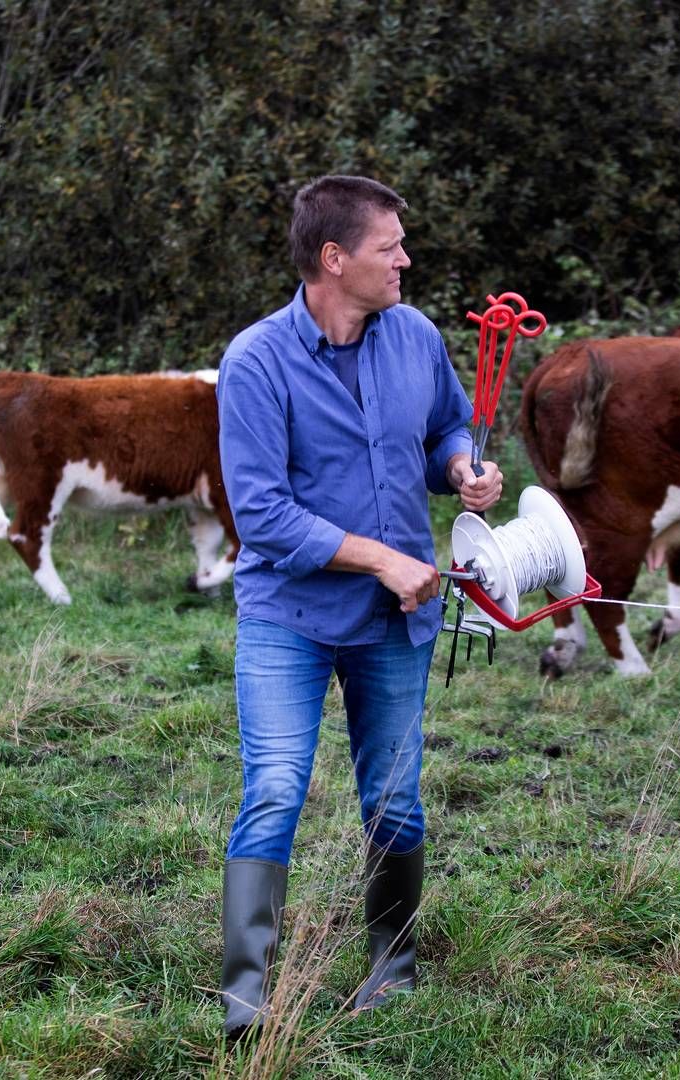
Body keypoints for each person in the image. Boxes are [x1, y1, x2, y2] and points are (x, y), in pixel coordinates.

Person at [215, 175, 502, 1040]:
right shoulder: (256, 361)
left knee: (395, 798)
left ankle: (394, 968)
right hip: (289, 617)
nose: (406, 259)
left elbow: (446, 427)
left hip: (395, 623)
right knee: (273, 790)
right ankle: (246, 996)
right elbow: (261, 512)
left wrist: (462, 470)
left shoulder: (413, 335)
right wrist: (382, 558)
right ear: (334, 259)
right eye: (391, 246)